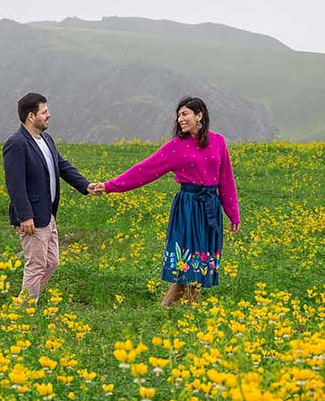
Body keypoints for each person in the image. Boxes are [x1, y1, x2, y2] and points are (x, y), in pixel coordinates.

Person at [91, 96, 240, 307]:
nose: (180, 119)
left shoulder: (218, 142)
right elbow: (144, 170)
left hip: (210, 208)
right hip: (188, 209)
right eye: (178, 115)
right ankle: (167, 312)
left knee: (199, 270)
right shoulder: (176, 146)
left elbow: (226, 179)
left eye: (185, 114)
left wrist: (232, 213)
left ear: (200, 115)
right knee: (187, 268)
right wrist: (110, 185)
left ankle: (189, 312)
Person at [3, 92, 100, 303]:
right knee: (36, 264)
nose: (49, 115)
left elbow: (62, 166)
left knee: (51, 262)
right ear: (31, 116)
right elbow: (15, 184)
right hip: (33, 217)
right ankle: (25, 311)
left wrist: (85, 185)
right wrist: (25, 215)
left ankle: (27, 301)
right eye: (44, 112)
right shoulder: (16, 144)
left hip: (48, 213)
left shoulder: (46, 139)